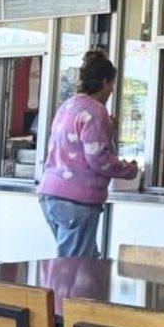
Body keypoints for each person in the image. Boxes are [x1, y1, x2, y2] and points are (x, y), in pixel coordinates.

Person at [37, 49, 138, 257]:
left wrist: (109, 128)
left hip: (51, 193)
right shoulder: (96, 111)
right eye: (111, 84)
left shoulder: (68, 105)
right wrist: (129, 170)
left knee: (87, 262)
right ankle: (63, 291)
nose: (112, 90)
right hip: (77, 200)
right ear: (104, 82)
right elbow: (98, 159)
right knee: (74, 267)